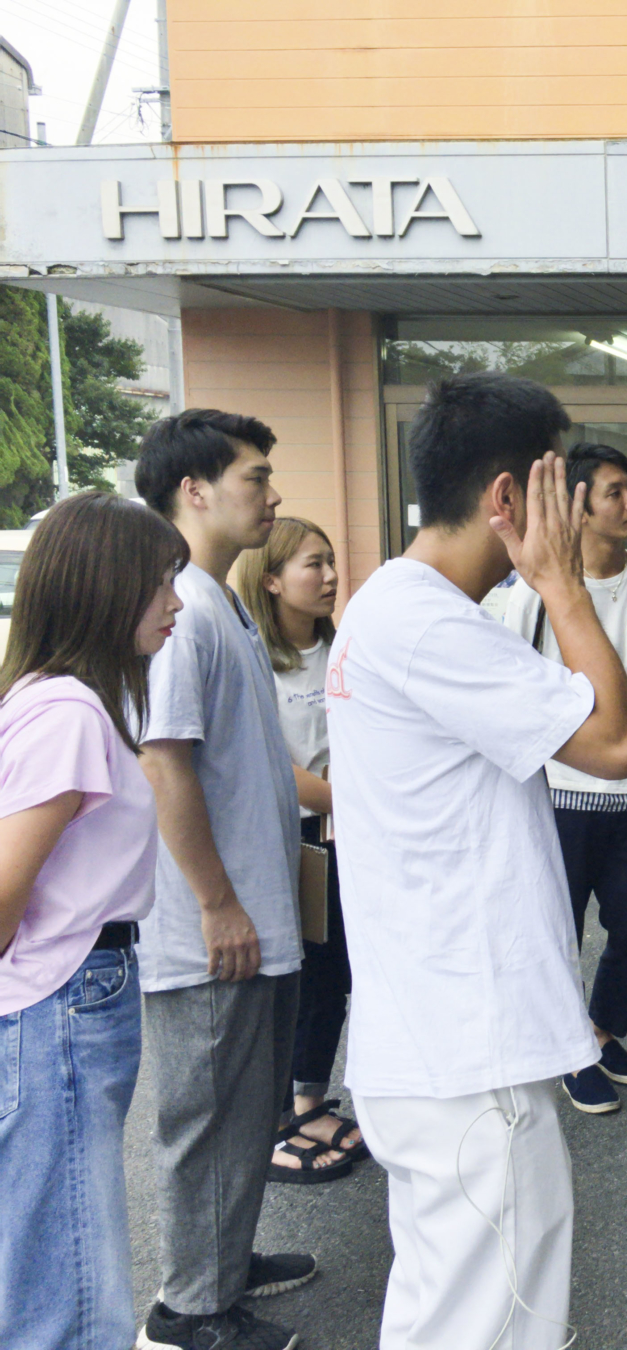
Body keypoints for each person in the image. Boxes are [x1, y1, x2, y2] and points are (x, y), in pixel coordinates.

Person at [327, 372, 627, 1349]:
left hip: (436, 1038)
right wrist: (563, 584)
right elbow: (618, 746)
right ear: (510, 500)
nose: (578, 511)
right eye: (563, 487)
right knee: (492, 1323)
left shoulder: (395, 608)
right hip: (466, 1046)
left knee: (444, 1313)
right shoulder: (426, 624)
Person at [134, 410, 317, 1350]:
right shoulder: (177, 605)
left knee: (248, 1112)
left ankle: (224, 1260)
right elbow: (165, 761)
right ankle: (189, 1313)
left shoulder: (221, 597)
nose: (273, 494)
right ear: (194, 490)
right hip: (213, 927)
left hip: (254, 915)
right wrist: (217, 905)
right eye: (255, 477)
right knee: (207, 1120)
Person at [0, 492, 185, 1350]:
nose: (175, 604)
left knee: (51, 1245)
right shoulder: (71, 712)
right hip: (63, 993)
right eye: (160, 585)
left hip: (60, 988)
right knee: (70, 1275)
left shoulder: (44, 696)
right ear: (107, 589)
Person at [503, 444, 627, 1117]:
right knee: (557, 932)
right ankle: (568, 1053)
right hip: (555, 796)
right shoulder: (532, 592)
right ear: (578, 505)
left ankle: (597, 1032)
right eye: (614, 492)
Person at [238, 517, 366, 1180]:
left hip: (351, 837)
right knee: (298, 975)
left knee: (338, 972)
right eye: (313, 565)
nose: (329, 576)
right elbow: (266, 763)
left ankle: (310, 1099)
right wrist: (345, 798)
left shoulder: (342, 648)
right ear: (270, 578)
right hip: (291, 840)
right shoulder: (253, 658)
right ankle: (289, 1112)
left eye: (331, 562)